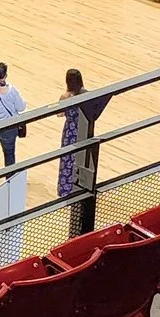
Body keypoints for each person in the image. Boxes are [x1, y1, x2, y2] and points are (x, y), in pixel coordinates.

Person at [57, 68, 110, 237]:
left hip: (70, 130)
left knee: (67, 160)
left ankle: (65, 189)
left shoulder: (66, 97)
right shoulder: (87, 94)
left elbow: (59, 113)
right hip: (83, 129)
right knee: (82, 158)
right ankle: (80, 186)